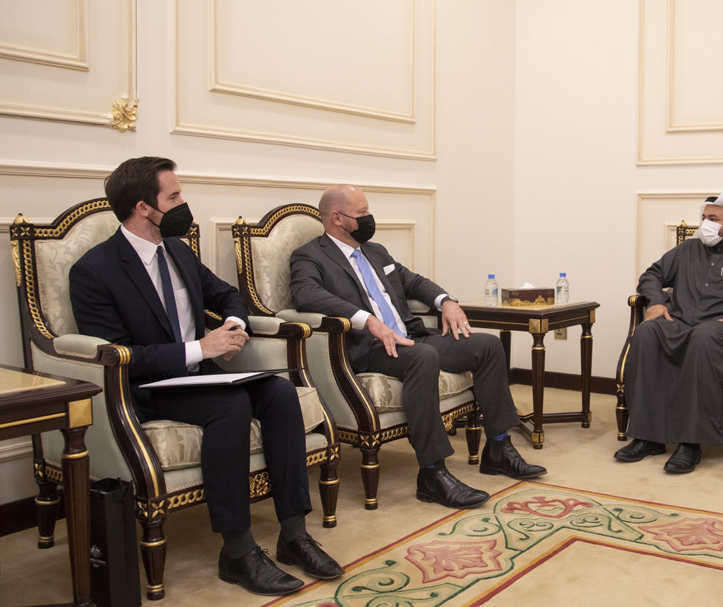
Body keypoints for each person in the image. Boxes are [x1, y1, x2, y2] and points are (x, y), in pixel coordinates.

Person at [70, 157, 343, 596]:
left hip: (200, 376)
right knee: (231, 405)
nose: (184, 203)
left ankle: (294, 535)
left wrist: (232, 326)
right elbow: (120, 356)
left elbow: (227, 294)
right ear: (143, 207)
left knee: (279, 391)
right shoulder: (94, 270)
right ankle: (237, 551)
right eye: (174, 196)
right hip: (149, 388)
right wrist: (201, 348)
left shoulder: (177, 251)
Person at [289, 184, 546, 509]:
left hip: (411, 336)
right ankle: (432, 474)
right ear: (337, 218)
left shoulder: (375, 251)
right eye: (362, 213)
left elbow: (413, 282)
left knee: (487, 345)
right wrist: (367, 320)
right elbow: (306, 294)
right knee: (422, 357)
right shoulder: (310, 256)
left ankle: (498, 448)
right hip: (369, 348)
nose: (369, 218)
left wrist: (447, 301)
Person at [615, 194, 723, 473]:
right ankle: (648, 437)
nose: (705, 224)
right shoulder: (689, 248)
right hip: (683, 322)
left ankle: (690, 443)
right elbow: (652, 275)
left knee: (703, 338)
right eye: (704, 218)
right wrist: (657, 302)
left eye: (713, 219)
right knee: (647, 332)